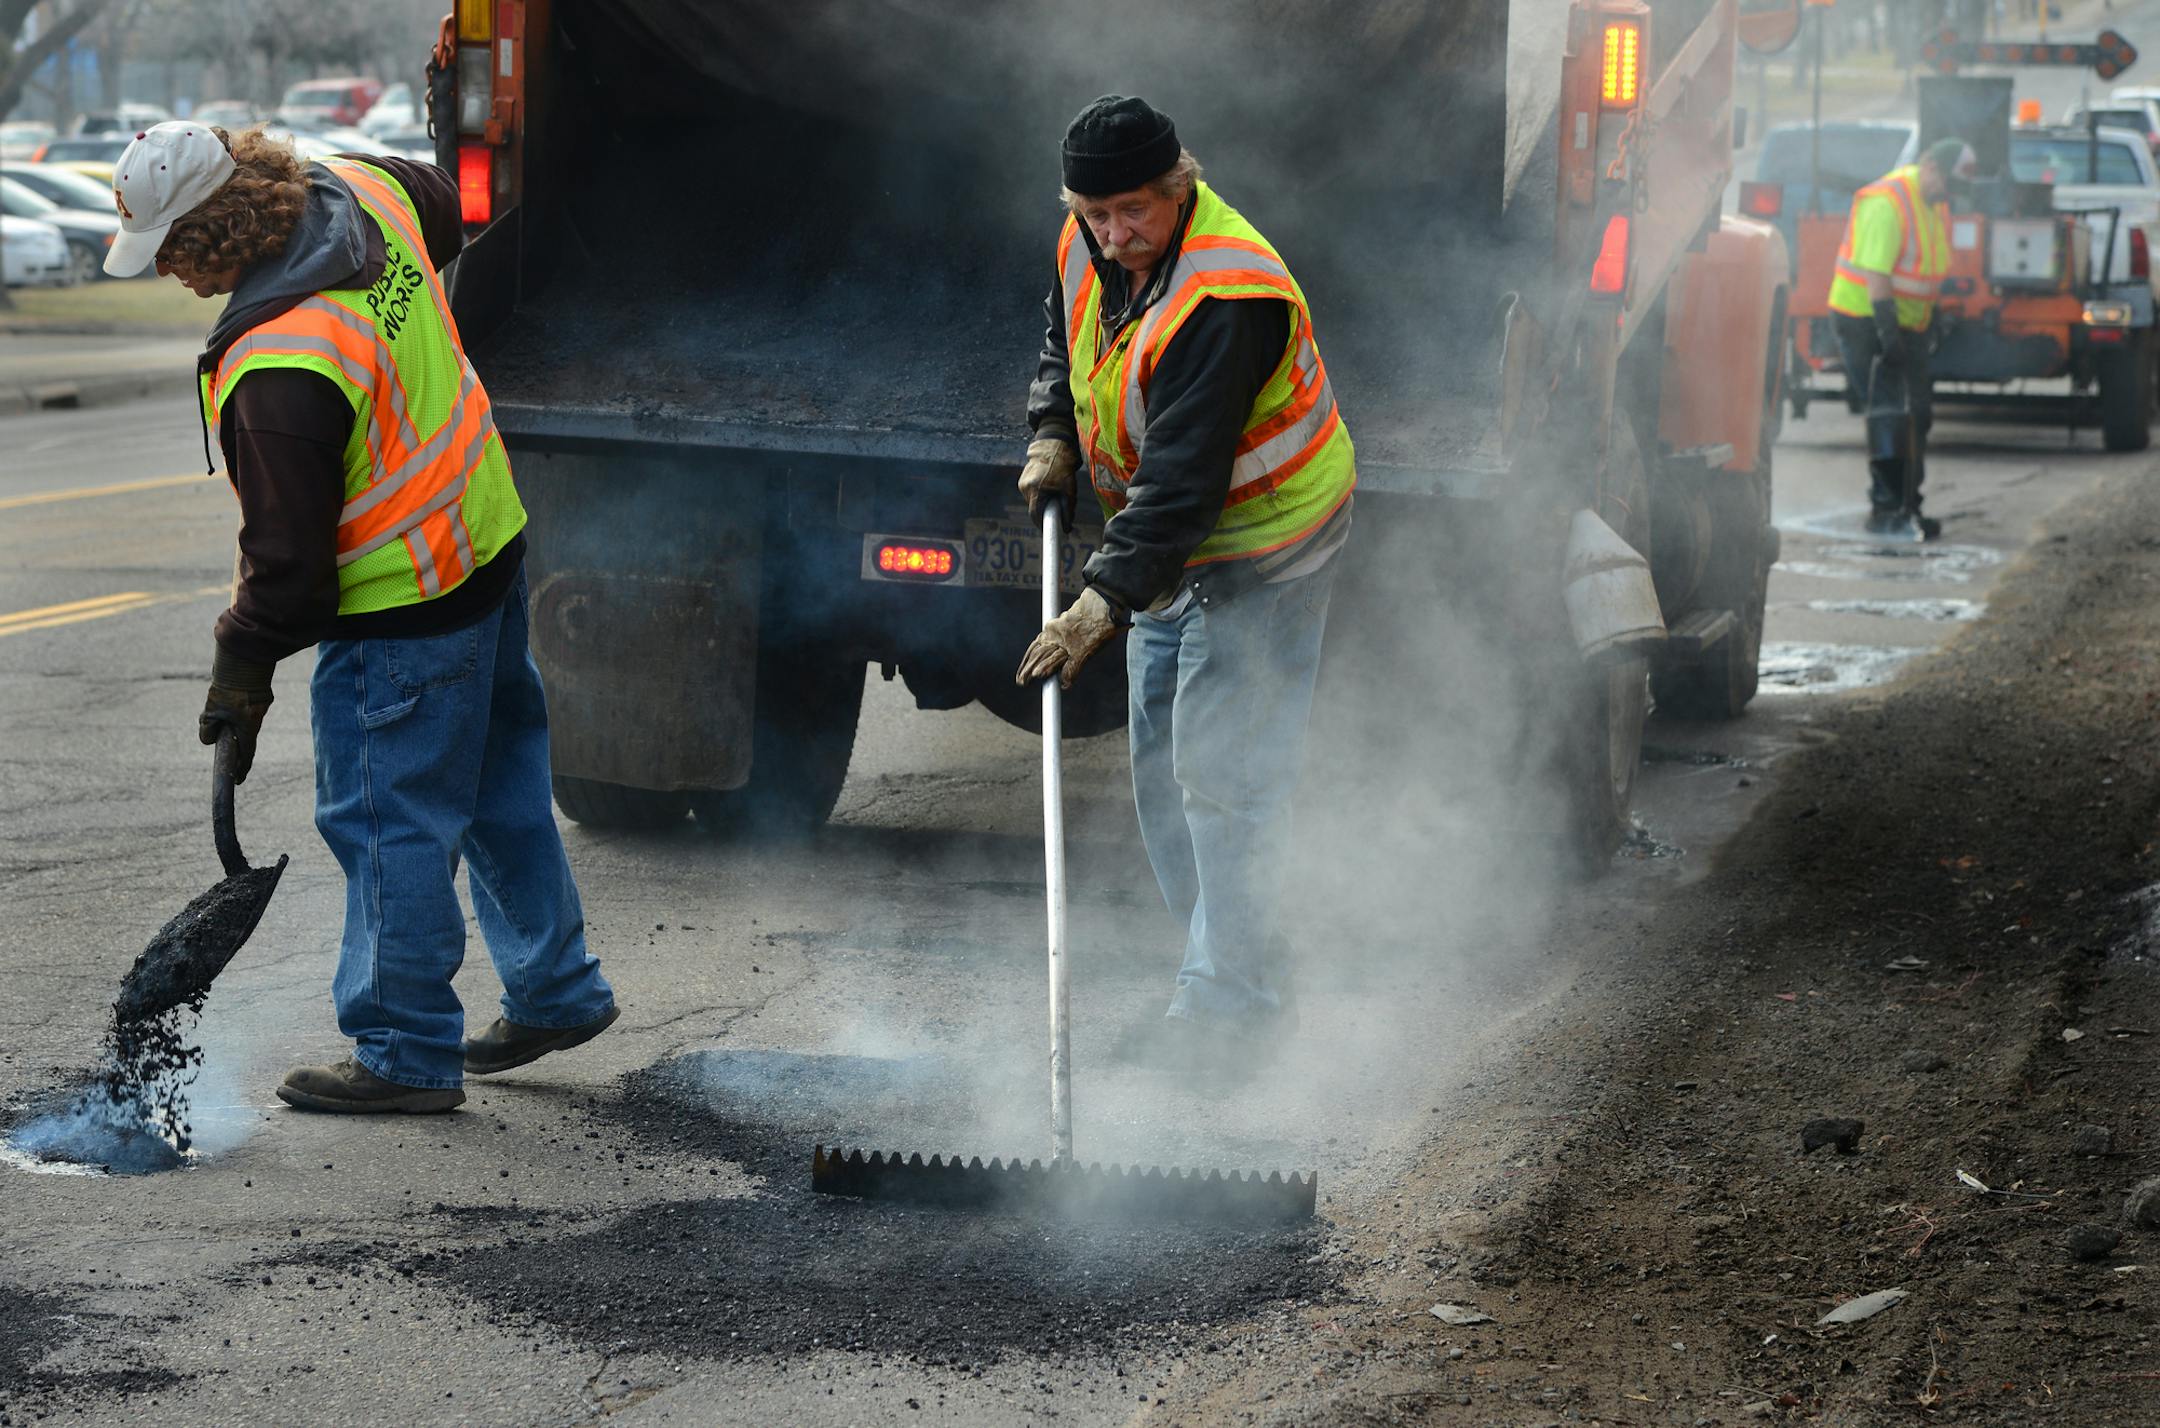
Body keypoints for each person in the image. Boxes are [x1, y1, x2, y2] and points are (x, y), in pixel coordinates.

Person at [105, 122, 618, 1114]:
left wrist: (240, 670)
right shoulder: (360, 193)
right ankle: (555, 988)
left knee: (390, 823)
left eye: (169, 248)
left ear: (209, 233)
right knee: (503, 785)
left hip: (404, 613)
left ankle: (403, 1050)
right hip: (484, 538)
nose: (167, 271)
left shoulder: (281, 365)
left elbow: (291, 577)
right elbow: (446, 198)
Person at [1015, 96, 1356, 1059]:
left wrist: (1098, 604)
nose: (1115, 235)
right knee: (1163, 772)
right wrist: (1052, 427)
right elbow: (1065, 345)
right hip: (1170, 547)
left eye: (1135, 212)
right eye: (1096, 213)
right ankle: (1226, 970)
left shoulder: (1225, 295)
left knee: (1225, 779)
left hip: (1267, 543)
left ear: (1180, 186)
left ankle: (1228, 1005)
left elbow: (1181, 482)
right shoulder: (1087, 243)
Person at [1827, 137, 1974, 539]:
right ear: (1931, 167)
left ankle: (1909, 504)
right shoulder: (1889, 201)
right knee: (1888, 414)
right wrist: (1888, 335)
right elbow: (1877, 276)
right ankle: (1885, 510)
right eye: (1947, 185)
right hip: (1865, 322)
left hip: (1908, 326)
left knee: (1918, 416)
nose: (1950, 197)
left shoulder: (1935, 205)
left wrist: (1934, 316)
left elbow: (1929, 268)